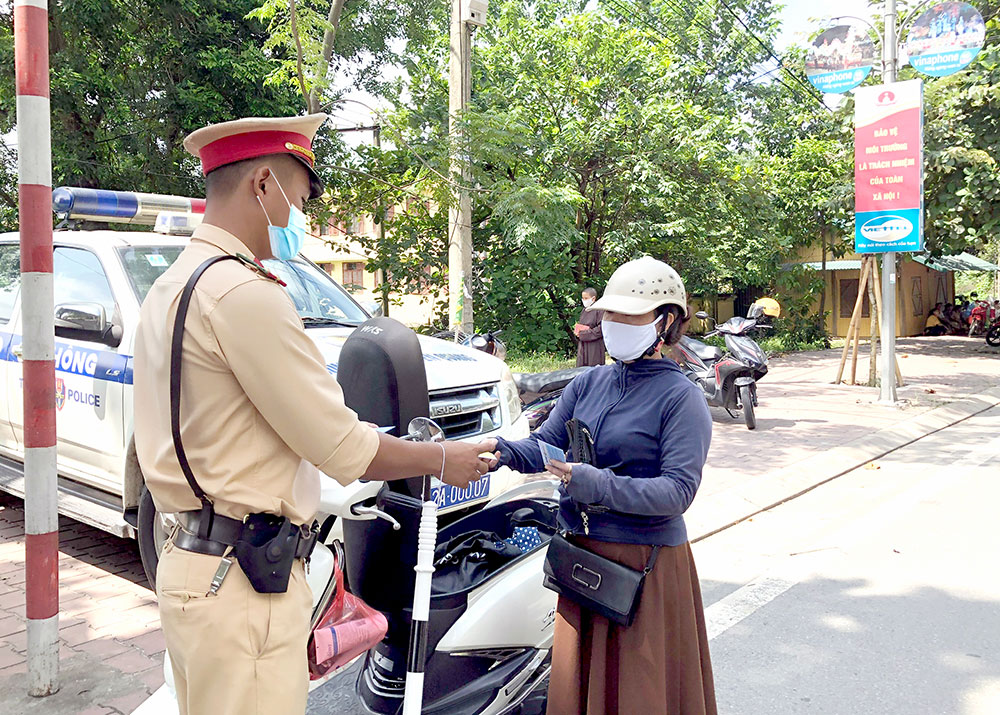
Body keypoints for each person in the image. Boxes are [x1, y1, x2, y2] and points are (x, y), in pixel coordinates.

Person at [134, 114, 494, 715]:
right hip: (243, 584)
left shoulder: (172, 285)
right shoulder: (245, 293)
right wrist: (440, 458)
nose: (299, 217)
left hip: (193, 564)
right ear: (263, 184)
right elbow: (342, 447)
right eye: (299, 200)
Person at [492, 257, 716, 715]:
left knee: (639, 693)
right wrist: (499, 451)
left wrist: (591, 481)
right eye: (609, 313)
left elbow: (677, 493)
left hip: (644, 567)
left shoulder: (682, 398)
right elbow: (546, 446)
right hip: (583, 559)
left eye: (628, 315)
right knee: (581, 687)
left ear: (665, 321)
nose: (612, 323)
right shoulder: (588, 383)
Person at [574, 287, 606, 367]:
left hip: (594, 345)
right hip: (583, 344)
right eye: (583, 298)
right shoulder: (584, 310)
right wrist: (578, 332)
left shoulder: (600, 310)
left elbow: (601, 328)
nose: (584, 300)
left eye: (586, 298)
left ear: (593, 298)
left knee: (594, 368)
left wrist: (585, 334)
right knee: (581, 368)